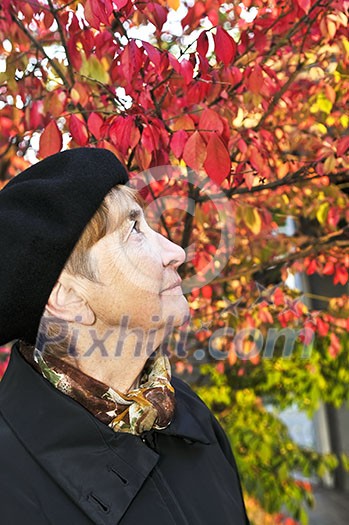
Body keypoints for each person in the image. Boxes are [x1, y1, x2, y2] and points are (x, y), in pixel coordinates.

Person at [0, 147, 250, 525]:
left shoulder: (184, 412)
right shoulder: (10, 487)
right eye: (134, 230)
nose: (176, 251)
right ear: (68, 298)